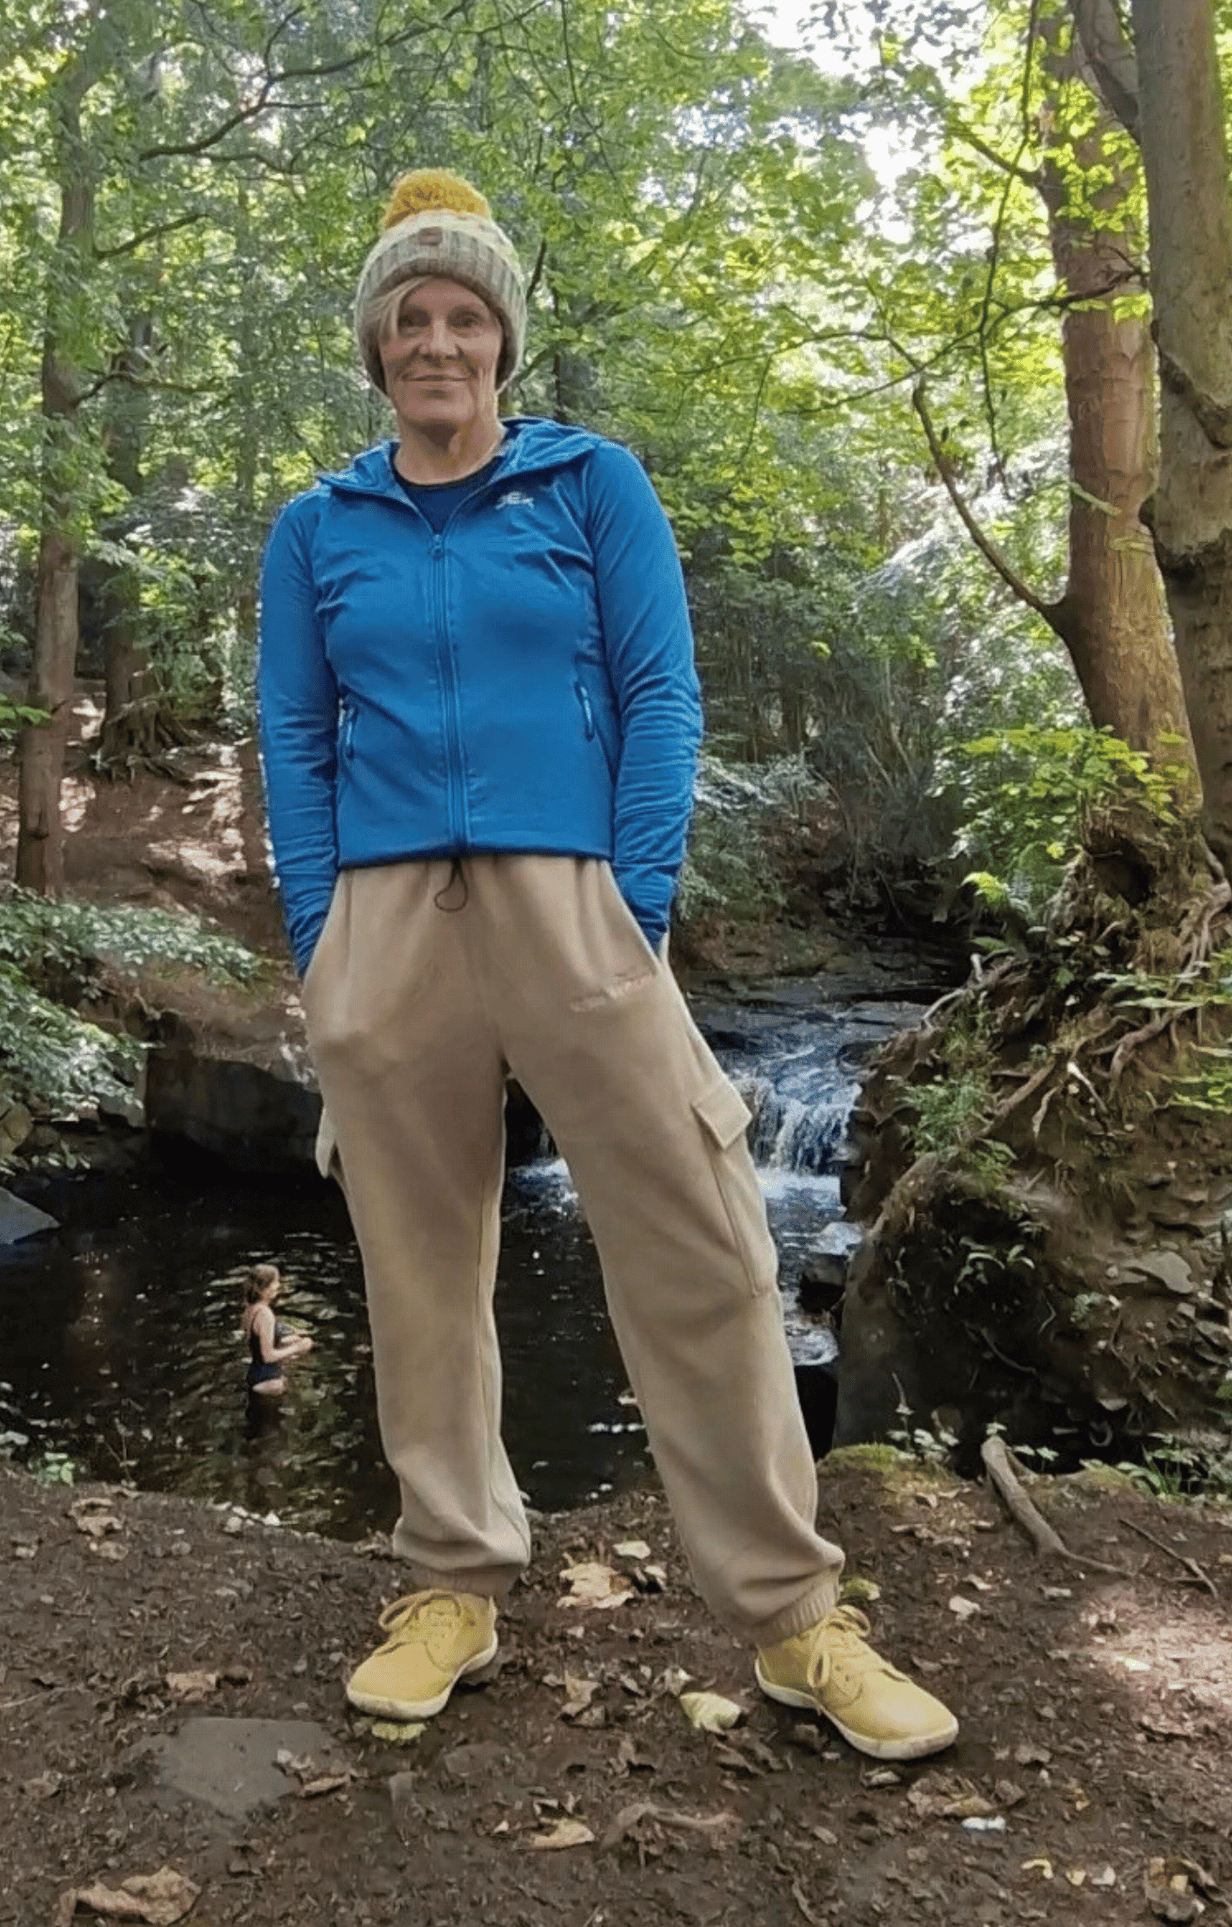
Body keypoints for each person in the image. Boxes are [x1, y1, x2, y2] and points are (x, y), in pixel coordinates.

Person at [256, 168, 958, 1761]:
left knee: (703, 1236)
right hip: (383, 920)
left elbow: (661, 692)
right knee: (418, 1265)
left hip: (570, 901)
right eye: (409, 318)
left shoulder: (588, 486)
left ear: (501, 339)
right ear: (376, 347)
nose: (438, 342)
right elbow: (294, 732)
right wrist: (320, 936)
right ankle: (451, 1581)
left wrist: (632, 901)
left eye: (464, 316)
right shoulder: (317, 527)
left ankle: (794, 1615)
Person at [241, 1264, 312, 1398]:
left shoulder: (250, 1309)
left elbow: (257, 1343)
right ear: (264, 1287)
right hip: (268, 1381)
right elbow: (268, 1356)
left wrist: (287, 1340)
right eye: (275, 1282)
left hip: (255, 1375)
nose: (278, 1285)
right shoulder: (265, 1314)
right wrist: (297, 1348)